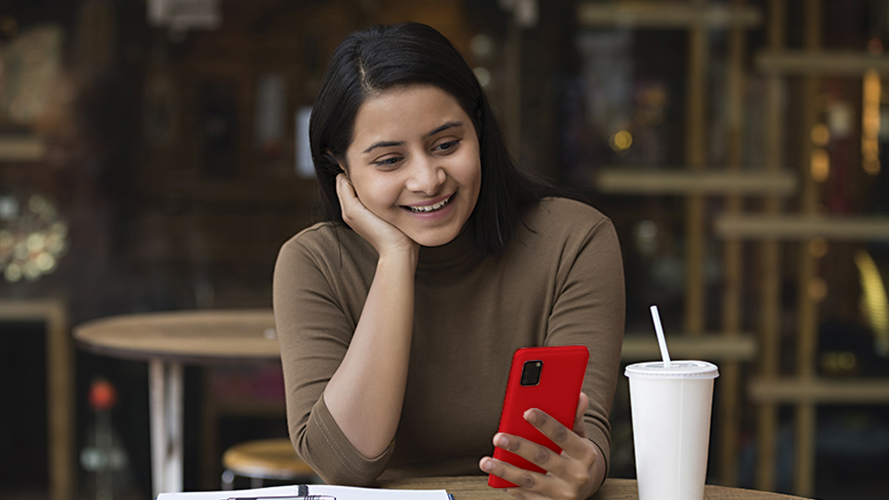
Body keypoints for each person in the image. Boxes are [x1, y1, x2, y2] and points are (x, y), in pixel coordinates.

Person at [273, 22, 624, 500]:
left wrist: (587, 468)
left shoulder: (573, 241)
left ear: (478, 129)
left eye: (445, 145)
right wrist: (396, 259)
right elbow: (343, 464)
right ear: (341, 167)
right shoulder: (312, 265)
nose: (428, 179)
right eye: (390, 160)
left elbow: (585, 439)